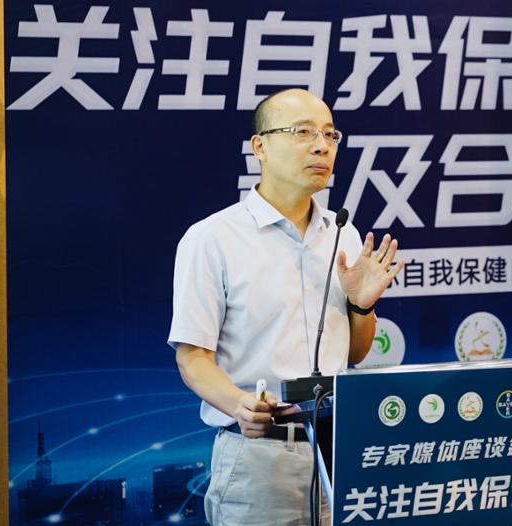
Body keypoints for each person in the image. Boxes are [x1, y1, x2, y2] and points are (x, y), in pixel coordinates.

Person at [167, 88, 403, 525]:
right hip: (258, 454)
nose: (322, 146)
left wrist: (361, 306)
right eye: (303, 132)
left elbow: (354, 353)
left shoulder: (342, 234)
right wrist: (238, 403)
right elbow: (192, 357)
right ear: (260, 146)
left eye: (330, 135)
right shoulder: (212, 238)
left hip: (339, 449)